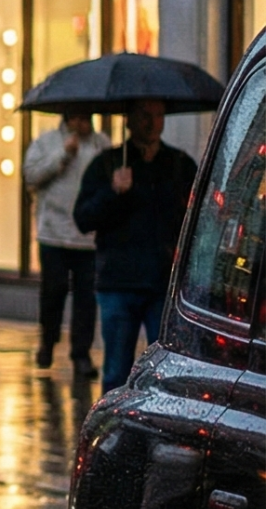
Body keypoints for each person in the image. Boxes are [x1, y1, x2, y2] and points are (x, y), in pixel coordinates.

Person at [72, 98, 197, 391]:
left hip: (162, 283)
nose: (152, 123)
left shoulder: (178, 164)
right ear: (129, 120)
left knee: (165, 371)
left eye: (158, 115)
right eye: (145, 116)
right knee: (116, 371)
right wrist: (113, 192)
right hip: (119, 281)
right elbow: (82, 218)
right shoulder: (108, 164)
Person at [21, 111, 109, 378]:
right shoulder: (48, 142)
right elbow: (31, 175)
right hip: (53, 235)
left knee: (86, 299)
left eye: (85, 117)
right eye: (76, 116)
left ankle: (80, 354)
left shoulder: (100, 144)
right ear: (67, 118)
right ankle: (47, 342)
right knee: (53, 292)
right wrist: (62, 154)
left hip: (87, 237)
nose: (81, 122)